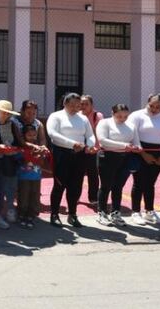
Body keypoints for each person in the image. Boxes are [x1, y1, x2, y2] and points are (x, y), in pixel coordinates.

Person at [45, 93, 96, 227]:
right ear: (65, 104)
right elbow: (52, 134)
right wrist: (72, 143)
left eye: (78, 106)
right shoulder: (56, 116)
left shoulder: (83, 118)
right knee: (59, 185)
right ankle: (54, 214)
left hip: (79, 154)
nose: (75, 108)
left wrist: (90, 146)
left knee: (75, 186)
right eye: (72, 105)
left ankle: (72, 214)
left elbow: (90, 135)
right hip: (62, 153)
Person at [127, 93, 160, 226]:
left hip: (159, 153)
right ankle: (135, 212)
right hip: (140, 151)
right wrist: (143, 154)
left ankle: (149, 211)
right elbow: (133, 135)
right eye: (151, 106)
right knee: (139, 183)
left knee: (150, 183)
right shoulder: (137, 115)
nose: (154, 109)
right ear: (147, 103)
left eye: (158, 107)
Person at [95, 104, 139, 226]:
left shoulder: (131, 125)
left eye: (125, 116)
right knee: (106, 186)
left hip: (124, 158)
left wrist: (137, 148)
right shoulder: (104, 123)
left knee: (118, 186)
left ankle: (115, 213)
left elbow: (136, 142)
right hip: (107, 157)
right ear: (112, 113)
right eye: (119, 116)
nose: (122, 119)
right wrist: (124, 145)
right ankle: (102, 213)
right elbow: (103, 140)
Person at [0, 100, 21, 230]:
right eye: (3, 112)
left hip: (6, 160)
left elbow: (19, 141)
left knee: (1, 189)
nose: (6, 115)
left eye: (8, 113)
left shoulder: (13, 125)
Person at [16, 125, 49, 229]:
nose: (32, 137)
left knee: (34, 197)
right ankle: (22, 215)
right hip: (23, 177)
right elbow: (18, 160)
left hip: (36, 177)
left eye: (34, 135)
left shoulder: (39, 147)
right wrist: (27, 156)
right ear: (24, 136)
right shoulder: (21, 148)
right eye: (29, 135)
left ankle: (31, 216)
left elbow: (42, 162)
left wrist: (41, 155)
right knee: (23, 196)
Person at [80, 95, 103, 203]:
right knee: (77, 173)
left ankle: (93, 197)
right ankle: (75, 196)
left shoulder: (97, 116)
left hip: (93, 149)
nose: (83, 106)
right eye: (82, 104)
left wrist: (94, 147)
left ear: (92, 105)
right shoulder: (77, 115)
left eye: (86, 104)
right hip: (79, 148)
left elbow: (99, 133)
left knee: (93, 174)